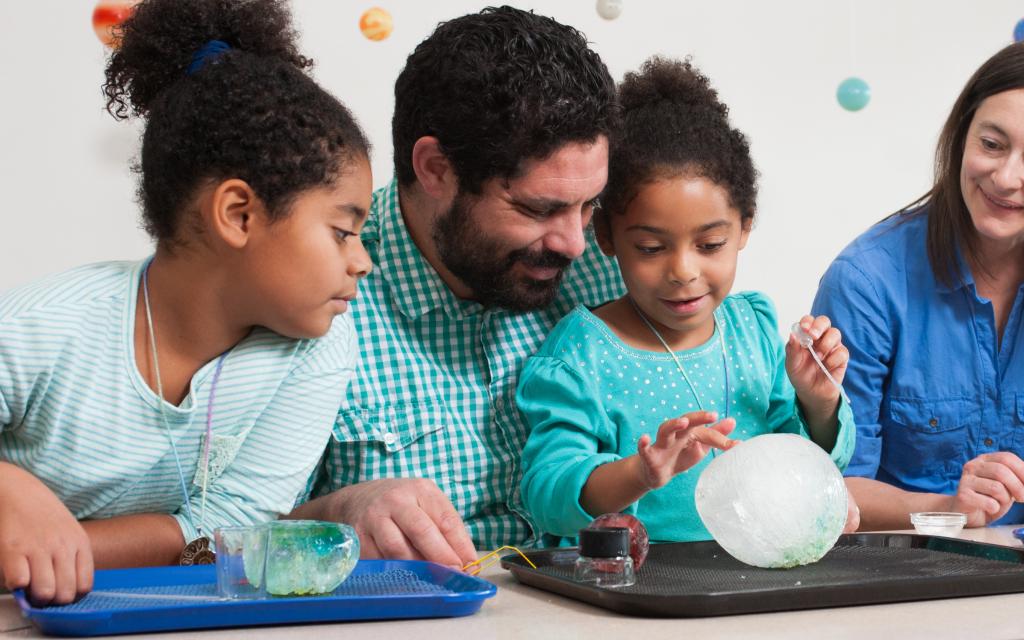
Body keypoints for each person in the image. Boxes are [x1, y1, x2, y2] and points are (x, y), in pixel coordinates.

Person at [0, 0, 371, 604]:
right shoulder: (43, 328)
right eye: (342, 231)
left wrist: (53, 548)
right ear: (238, 214)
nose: (362, 260)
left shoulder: (315, 350)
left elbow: (229, 530)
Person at [291, 7, 625, 564]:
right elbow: (226, 536)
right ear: (435, 169)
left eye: (588, 205)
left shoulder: (616, 274)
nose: (575, 244)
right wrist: (338, 512)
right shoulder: (315, 297)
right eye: (539, 208)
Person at [518, 58, 856, 543]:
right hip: (638, 592)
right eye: (651, 248)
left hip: (753, 578)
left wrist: (819, 401)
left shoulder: (753, 330)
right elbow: (546, 495)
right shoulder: (581, 356)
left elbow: (806, 461)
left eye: (710, 244)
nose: (683, 271)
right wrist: (640, 473)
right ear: (608, 235)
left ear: (745, 226)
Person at [811, 38, 1024, 530]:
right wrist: (949, 509)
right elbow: (836, 487)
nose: (1005, 177)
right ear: (962, 136)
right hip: (897, 580)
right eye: (991, 145)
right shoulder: (866, 282)